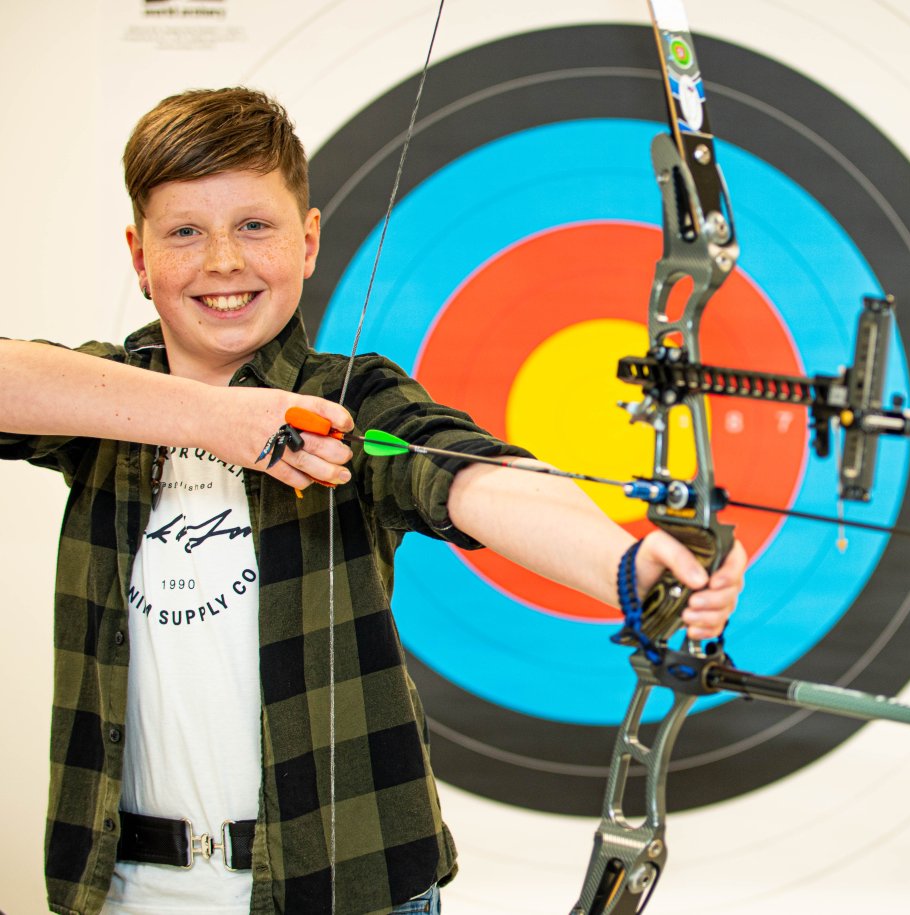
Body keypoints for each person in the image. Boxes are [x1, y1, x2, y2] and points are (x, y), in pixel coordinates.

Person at [0, 87, 746, 915]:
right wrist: (215, 418)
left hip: (344, 881)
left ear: (308, 240)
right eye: (185, 232)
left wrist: (630, 560)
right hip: (122, 888)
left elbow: (469, 477)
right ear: (139, 258)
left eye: (255, 225)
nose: (222, 262)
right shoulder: (100, 404)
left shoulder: (350, 399)